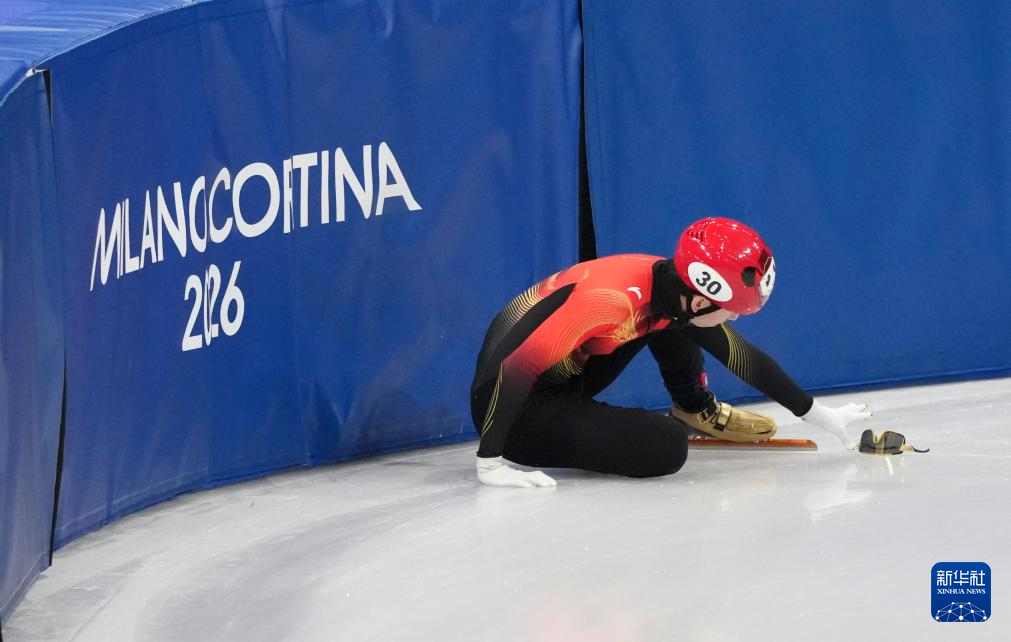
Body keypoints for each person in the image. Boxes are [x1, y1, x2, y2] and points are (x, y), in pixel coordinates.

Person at [469, 217, 871, 488]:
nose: (734, 318)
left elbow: (741, 356)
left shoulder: (666, 285)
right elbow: (513, 366)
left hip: (560, 375)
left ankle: (692, 408)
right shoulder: (611, 300)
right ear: (702, 300)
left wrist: (819, 414)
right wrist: (490, 461)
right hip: (513, 410)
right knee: (666, 447)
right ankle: (666, 422)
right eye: (732, 311)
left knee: (672, 324)